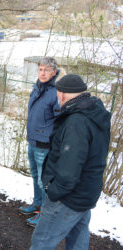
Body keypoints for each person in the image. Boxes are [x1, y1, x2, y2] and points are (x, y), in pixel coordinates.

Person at [30, 74, 111, 249]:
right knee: (77, 240)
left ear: (62, 95)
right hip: (86, 192)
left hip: (68, 198)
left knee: (41, 241)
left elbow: (69, 167)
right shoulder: (94, 112)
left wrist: (54, 191)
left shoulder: (76, 122)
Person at [19, 57, 61, 227]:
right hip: (33, 140)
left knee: (44, 181)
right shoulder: (38, 87)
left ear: (54, 72)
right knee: (35, 176)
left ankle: (45, 214)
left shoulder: (56, 92)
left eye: (46, 70)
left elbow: (59, 121)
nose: (42, 73)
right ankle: (37, 204)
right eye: (40, 69)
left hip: (45, 145)